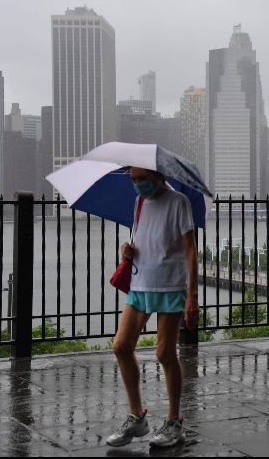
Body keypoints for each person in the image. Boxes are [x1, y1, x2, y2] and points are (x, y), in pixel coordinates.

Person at [106, 167, 199, 448]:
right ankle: (137, 417)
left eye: (142, 179)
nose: (137, 184)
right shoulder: (140, 202)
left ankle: (173, 422)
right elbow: (145, 238)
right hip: (140, 282)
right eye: (133, 179)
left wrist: (192, 296)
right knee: (121, 346)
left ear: (159, 176)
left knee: (165, 352)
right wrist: (128, 251)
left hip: (170, 285)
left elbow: (191, 249)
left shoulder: (179, 202)